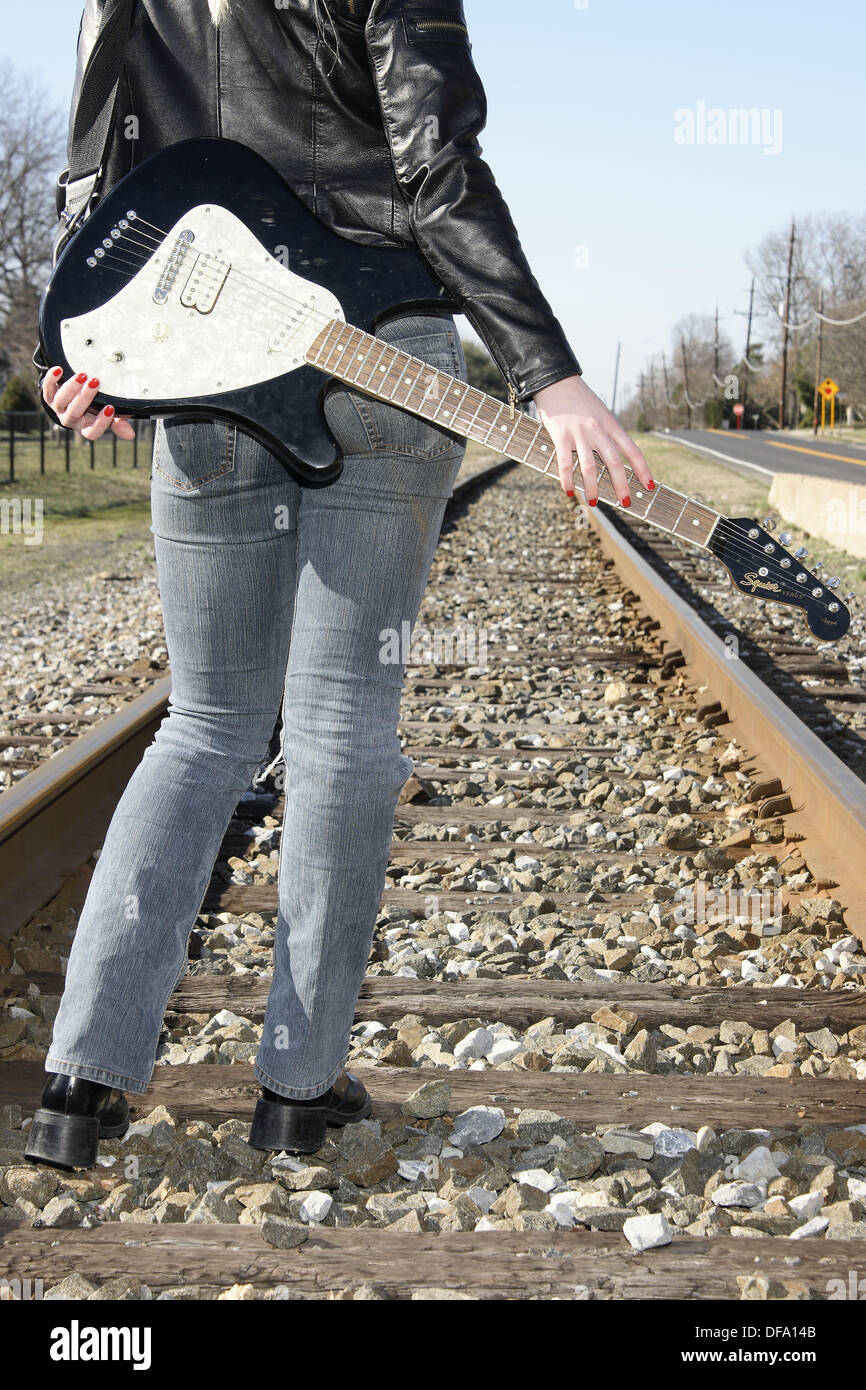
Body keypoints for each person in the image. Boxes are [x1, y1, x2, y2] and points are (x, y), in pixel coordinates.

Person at [27, 0, 653, 1170]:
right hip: (381, 349)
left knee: (205, 726)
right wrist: (547, 372)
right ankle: (296, 1092)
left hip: (207, 362)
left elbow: (96, 185)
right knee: (339, 726)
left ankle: (80, 1084)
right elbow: (436, 165)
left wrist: (79, 353)